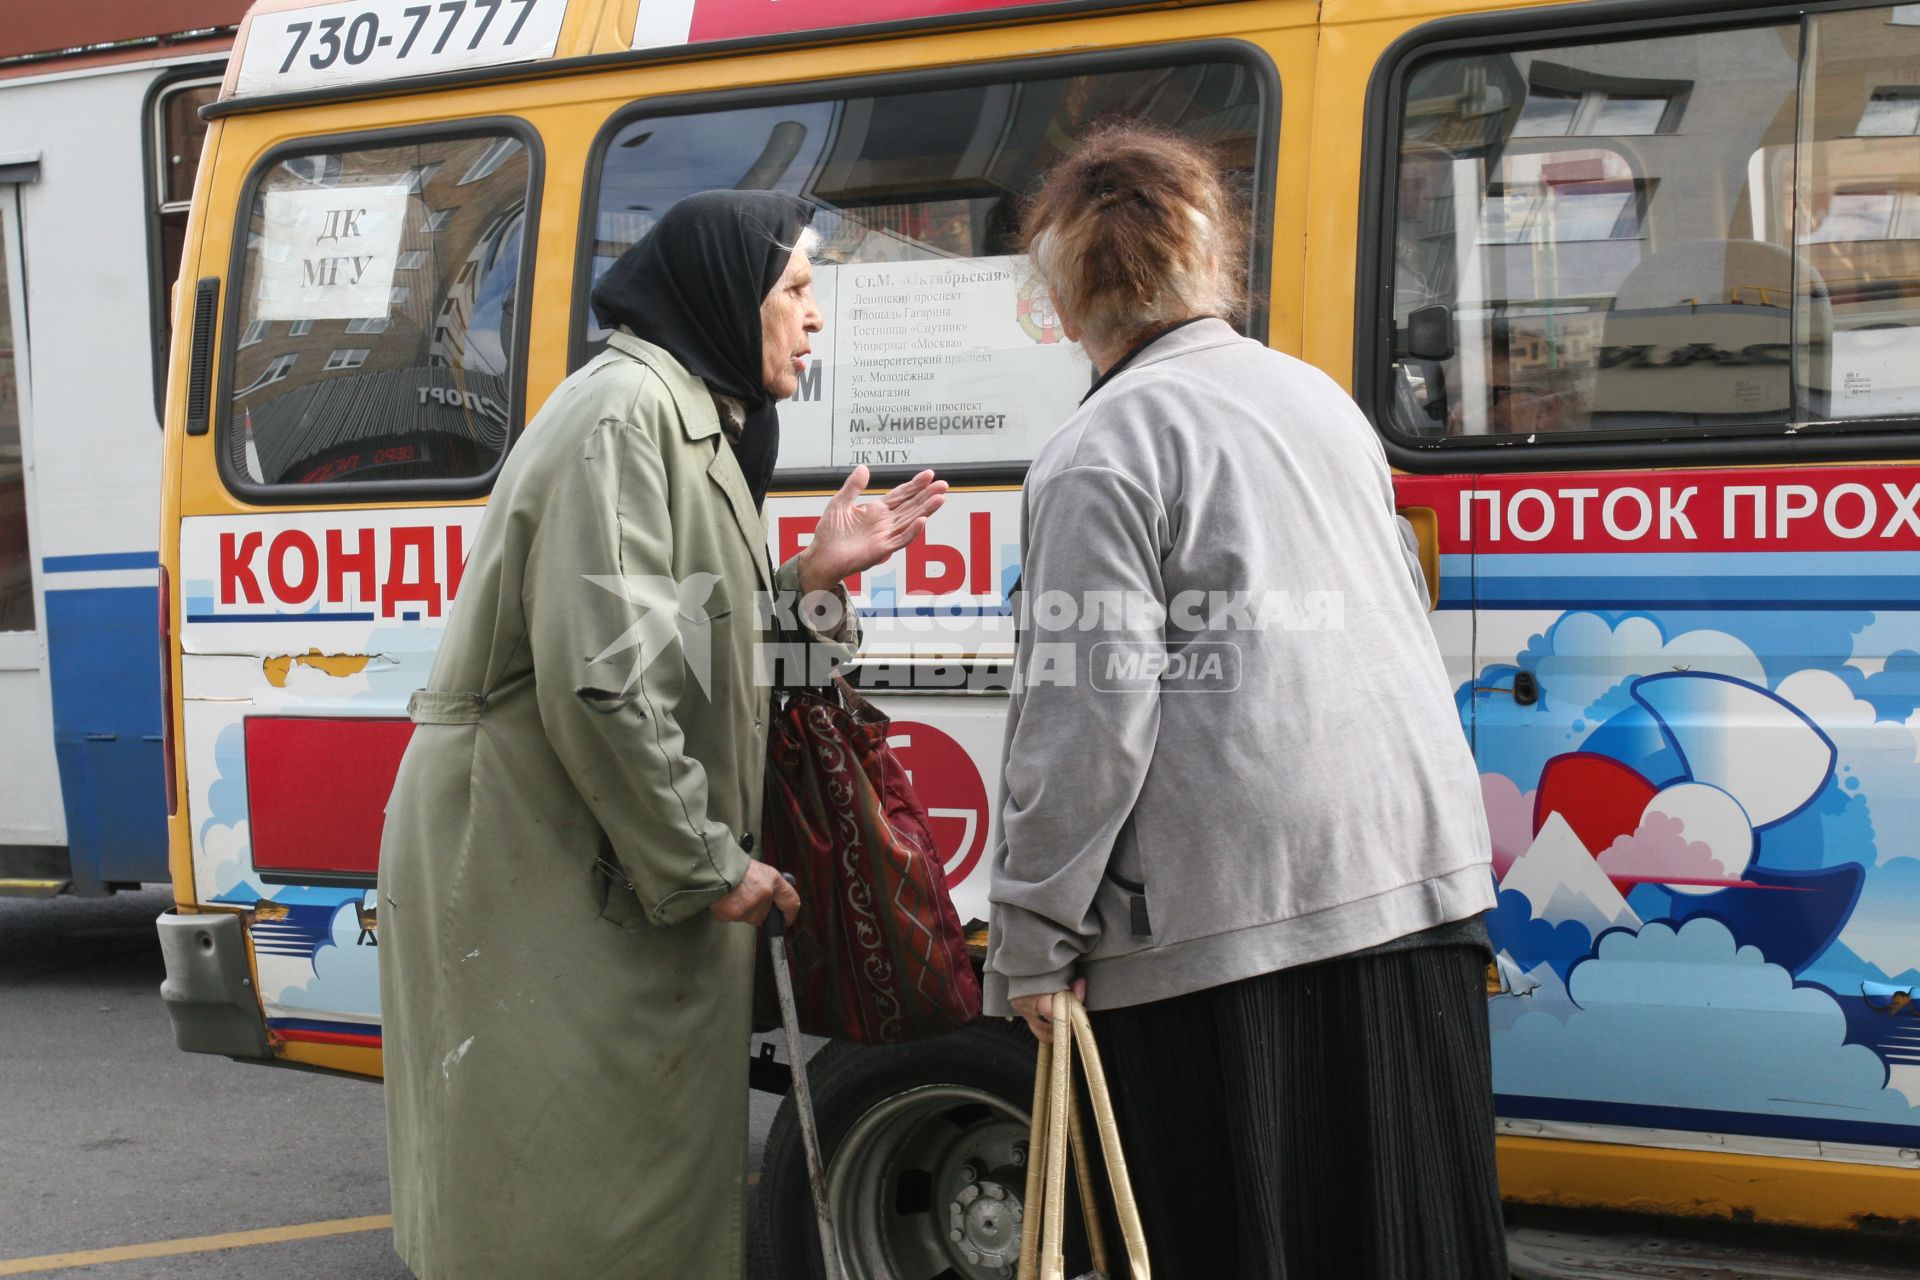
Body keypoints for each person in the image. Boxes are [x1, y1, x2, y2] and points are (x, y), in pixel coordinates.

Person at [378, 190, 946, 1280]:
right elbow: (608, 680)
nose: (814, 318)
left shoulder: (690, 421)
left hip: (590, 859)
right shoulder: (627, 416)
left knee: (623, 1189)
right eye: (794, 288)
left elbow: (702, 650)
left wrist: (813, 582)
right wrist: (705, 861)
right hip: (537, 864)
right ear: (727, 296)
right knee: (569, 1202)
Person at [984, 125, 1506, 1278]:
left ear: (1064, 306)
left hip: (1231, 937)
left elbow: (1085, 727)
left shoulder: (1099, 450)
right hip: (1415, 887)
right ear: (1216, 267)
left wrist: (1031, 938)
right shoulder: (1319, 399)